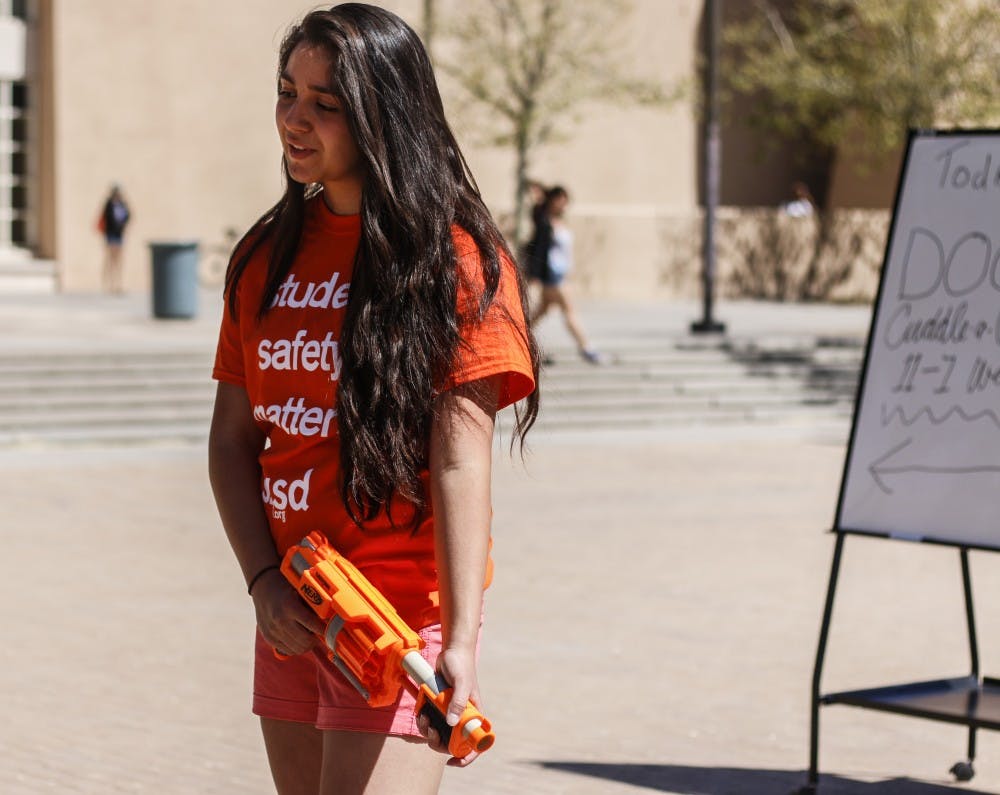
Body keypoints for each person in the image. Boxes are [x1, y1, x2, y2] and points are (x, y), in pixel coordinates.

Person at [207, 5, 539, 794]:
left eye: (325, 104)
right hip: (294, 608)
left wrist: (459, 641)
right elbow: (231, 442)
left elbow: (460, 460)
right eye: (288, 92)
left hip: (398, 626)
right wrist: (261, 581)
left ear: (383, 114)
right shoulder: (263, 258)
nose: (294, 118)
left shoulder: (458, 265)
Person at [526, 185, 602, 364]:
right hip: (553, 277)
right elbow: (539, 247)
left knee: (541, 311)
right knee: (570, 311)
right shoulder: (544, 222)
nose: (564, 204)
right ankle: (586, 347)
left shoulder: (560, 222)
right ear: (552, 200)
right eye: (560, 200)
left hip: (561, 276)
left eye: (565, 200)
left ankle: (520, 337)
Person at [99, 184, 130, 293]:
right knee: (110, 260)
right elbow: (106, 219)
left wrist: (122, 225)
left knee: (119, 260)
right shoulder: (109, 204)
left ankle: (118, 284)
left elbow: (128, 216)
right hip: (111, 235)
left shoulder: (122, 204)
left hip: (119, 236)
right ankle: (110, 285)